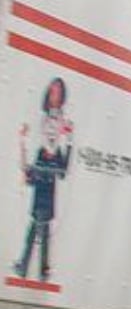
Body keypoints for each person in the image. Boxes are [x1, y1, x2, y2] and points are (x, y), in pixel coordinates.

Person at [13, 78, 73, 282]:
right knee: (39, 222)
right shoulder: (42, 119)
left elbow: (64, 159)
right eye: (52, 92)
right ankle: (39, 268)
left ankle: (33, 266)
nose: (54, 96)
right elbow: (34, 146)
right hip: (40, 175)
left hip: (49, 176)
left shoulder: (63, 122)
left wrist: (68, 141)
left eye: (57, 92)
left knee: (42, 223)